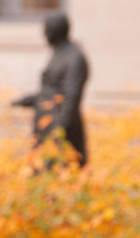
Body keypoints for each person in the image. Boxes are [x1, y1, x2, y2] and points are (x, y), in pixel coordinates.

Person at [11, 13, 89, 165]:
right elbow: (52, 91)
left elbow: (71, 97)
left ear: (55, 31)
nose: (44, 34)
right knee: (42, 170)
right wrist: (30, 100)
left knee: (61, 172)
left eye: (47, 30)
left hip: (61, 129)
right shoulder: (59, 53)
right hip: (47, 125)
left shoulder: (73, 57)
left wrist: (59, 130)